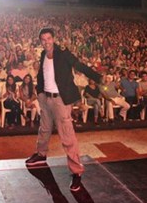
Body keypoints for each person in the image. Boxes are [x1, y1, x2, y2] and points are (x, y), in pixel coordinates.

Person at [25, 27, 102, 192]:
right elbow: (41, 74)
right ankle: (41, 154)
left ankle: (76, 172)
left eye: (48, 39)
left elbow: (79, 65)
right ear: (40, 41)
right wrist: (39, 93)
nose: (46, 42)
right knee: (44, 129)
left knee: (67, 135)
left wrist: (98, 77)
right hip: (46, 98)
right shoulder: (43, 54)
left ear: (53, 38)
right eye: (43, 39)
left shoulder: (63, 52)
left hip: (60, 99)